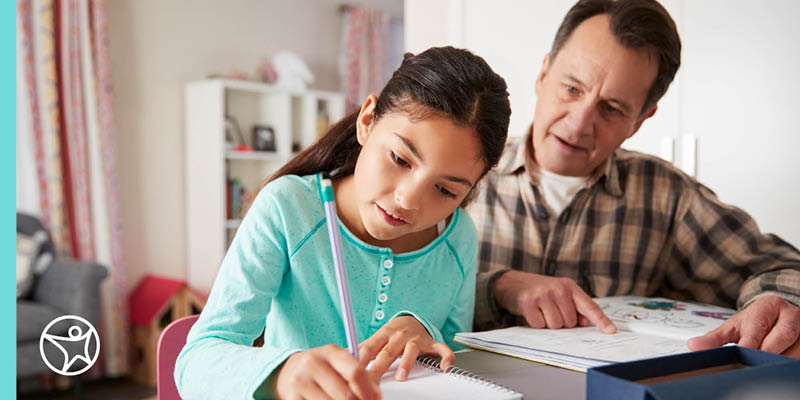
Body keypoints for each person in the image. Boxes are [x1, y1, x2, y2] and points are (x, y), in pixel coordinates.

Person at [467, 0, 800, 358]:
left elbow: (783, 268)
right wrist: (497, 288)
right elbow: (399, 290)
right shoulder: (460, 170)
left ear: (640, 120)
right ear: (543, 73)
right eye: (572, 88)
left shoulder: (667, 195)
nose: (578, 123)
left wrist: (777, 301)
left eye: (611, 108)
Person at [175, 46, 511, 400]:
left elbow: (459, 366)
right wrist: (283, 375)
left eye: (444, 190)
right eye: (399, 158)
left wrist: (424, 333)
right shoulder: (289, 208)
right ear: (367, 120)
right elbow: (196, 361)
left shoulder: (458, 239)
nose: (408, 200)